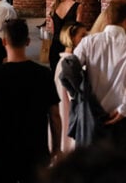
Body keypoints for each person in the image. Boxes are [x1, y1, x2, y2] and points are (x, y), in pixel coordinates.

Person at [0, 18, 61, 183]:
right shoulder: (43, 74)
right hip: (35, 148)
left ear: (4, 41)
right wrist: (57, 146)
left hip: (2, 149)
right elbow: (54, 115)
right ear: (28, 41)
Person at [73, 0, 126, 151]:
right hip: (121, 119)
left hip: (92, 116)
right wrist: (124, 107)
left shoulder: (88, 42)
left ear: (106, 17)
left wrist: (79, 97)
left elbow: (71, 69)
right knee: (121, 171)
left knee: (91, 170)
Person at [53, 21, 88, 153]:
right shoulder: (68, 62)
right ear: (72, 38)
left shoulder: (68, 60)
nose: (86, 40)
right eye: (82, 36)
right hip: (69, 107)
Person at [48, 0, 84, 72]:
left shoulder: (55, 5)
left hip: (54, 46)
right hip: (68, 47)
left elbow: (52, 29)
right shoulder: (78, 7)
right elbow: (77, 30)